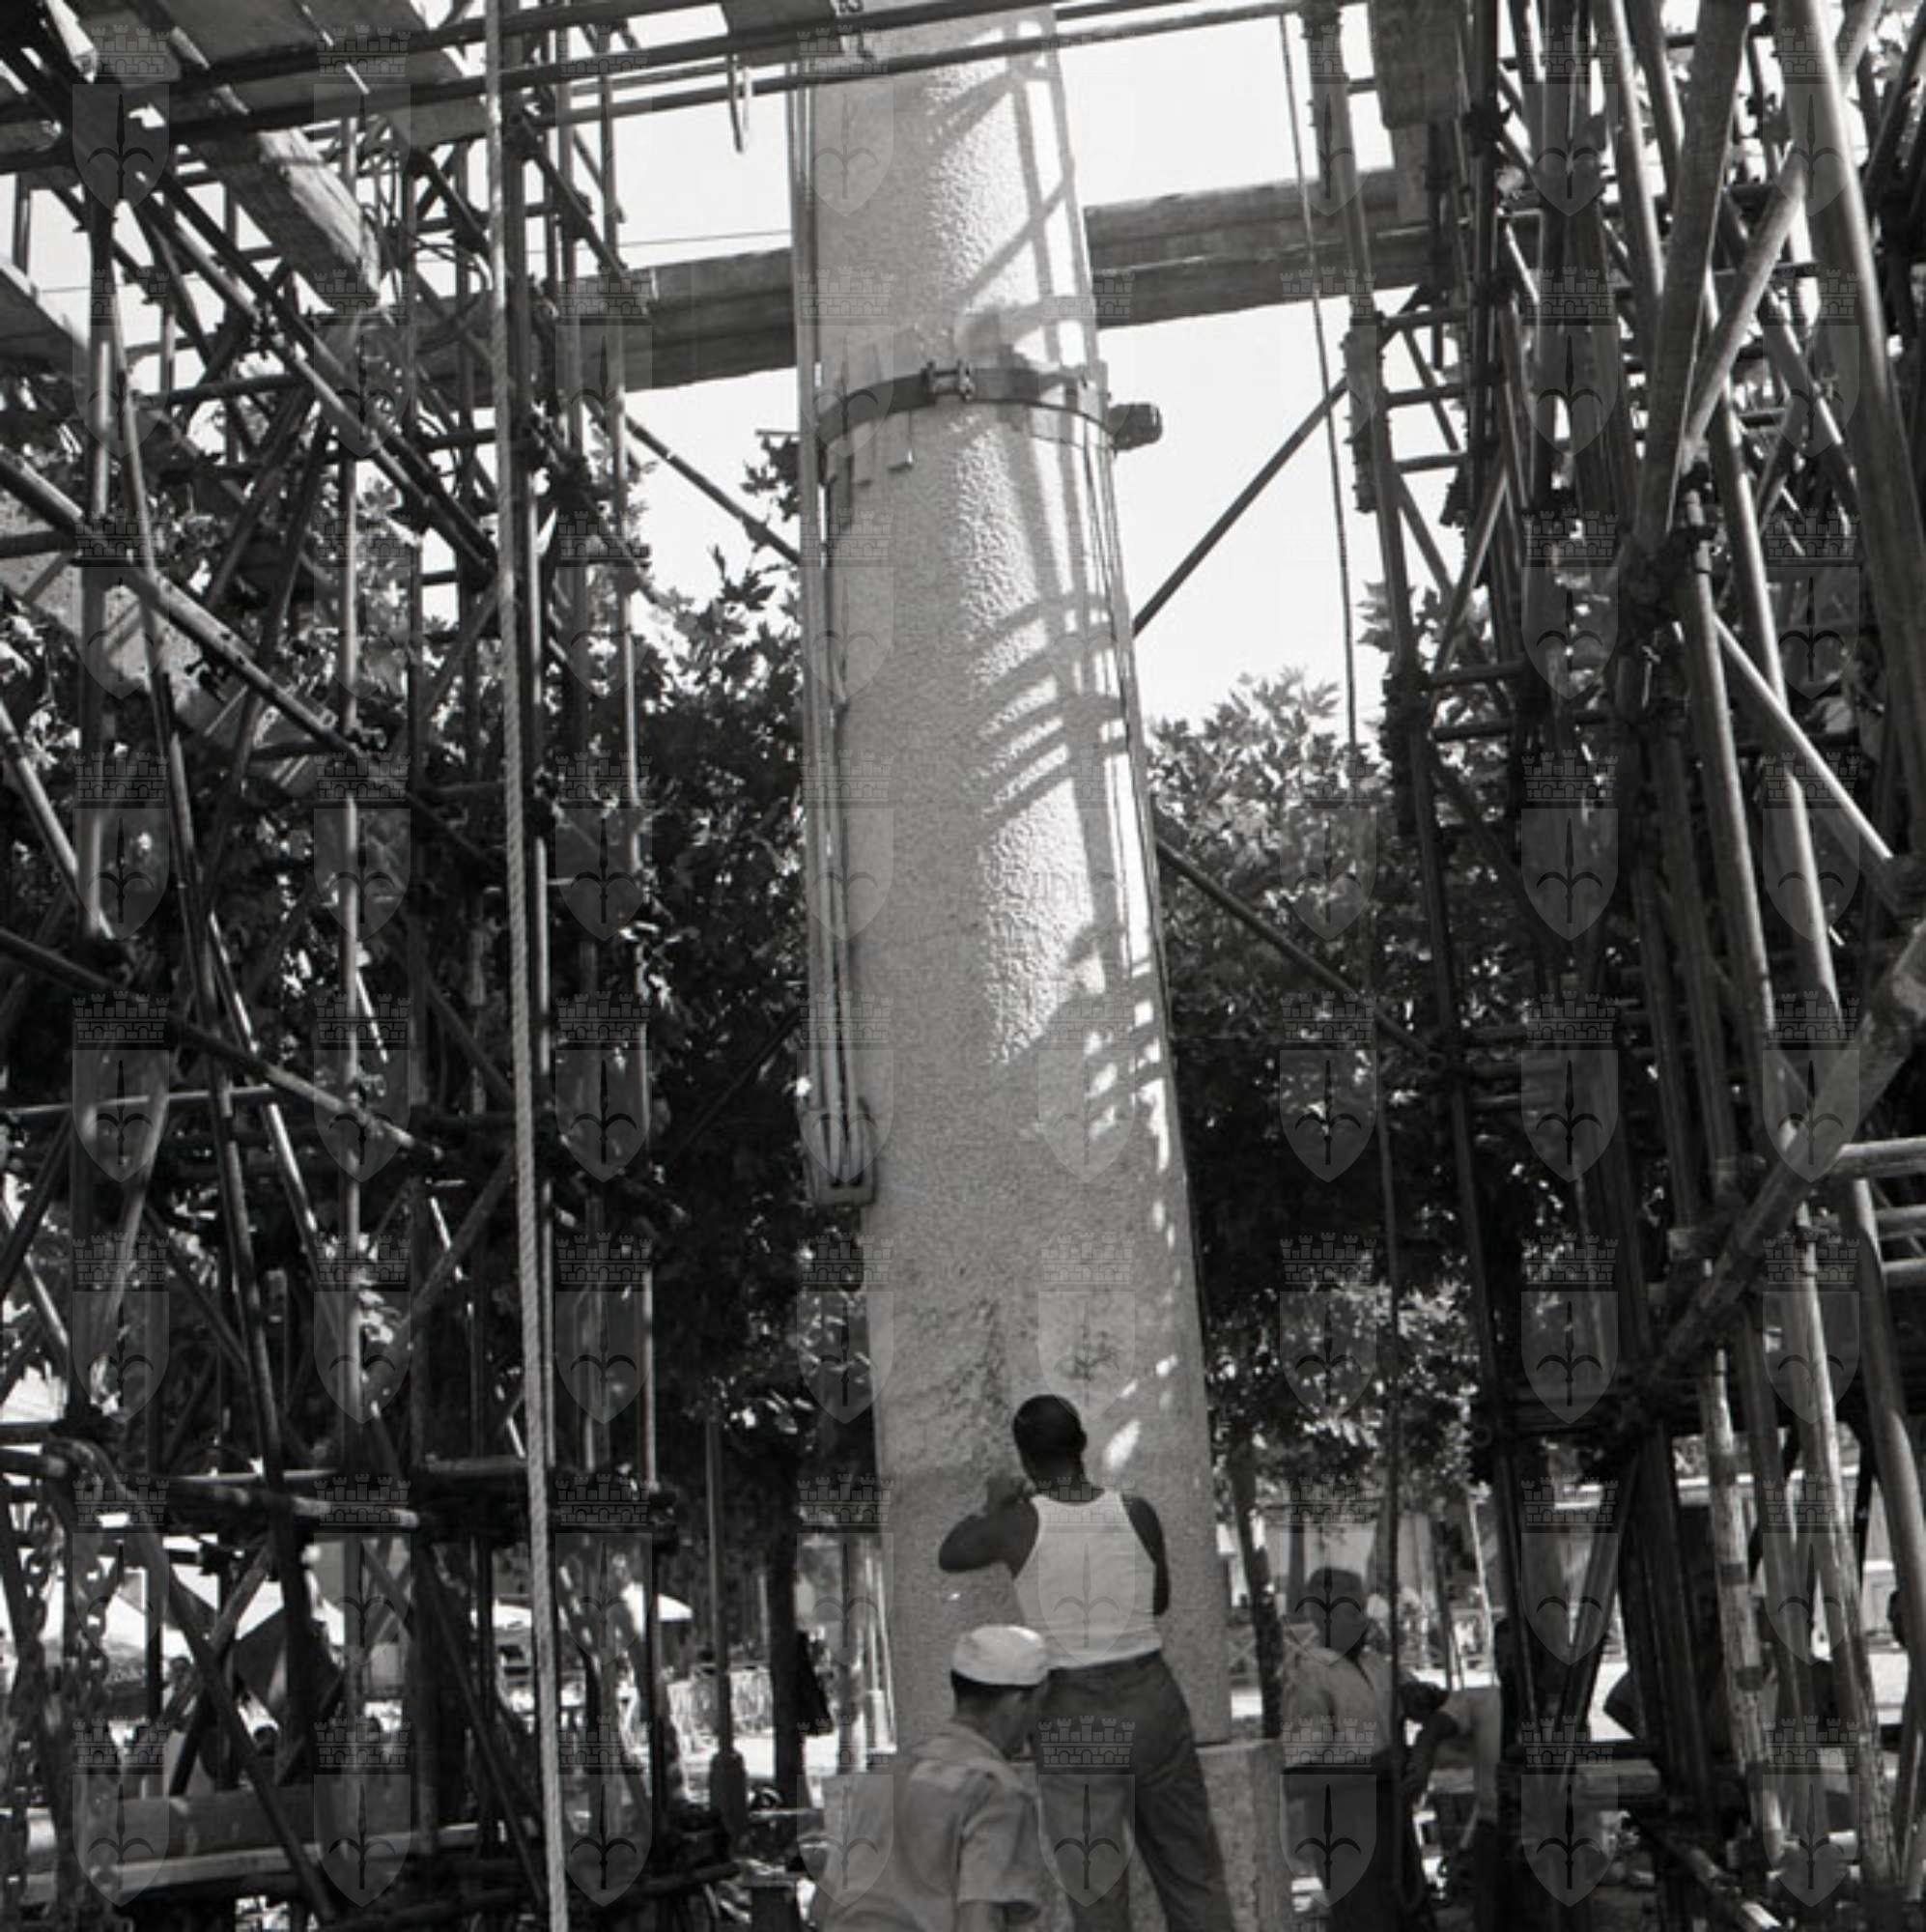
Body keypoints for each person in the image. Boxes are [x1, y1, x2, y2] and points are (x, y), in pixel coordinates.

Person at [938, 1395, 1234, 1932]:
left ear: (1025, 1458)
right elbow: (1157, 1600)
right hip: (1152, 1696)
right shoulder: (1137, 1513)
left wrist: (992, 1505)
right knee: (1193, 1872)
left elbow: (951, 1553)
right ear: (1082, 1444)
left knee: (1095, 1890)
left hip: (1071, 1711)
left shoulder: (1017, 1524)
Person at [814, 1625, 1052, 1931]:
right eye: (1041, 1705)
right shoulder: (996, 1792)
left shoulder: (887, 1774)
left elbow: (822, 1906)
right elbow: (979, 1922)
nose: (1040, 1720)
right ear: (1015, 1703)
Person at [1279, 1564, 1434, 1931]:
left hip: (1393, 1817)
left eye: (1363, 1609)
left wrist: (1424, 1701)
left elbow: (1417, 1709)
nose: (1363, 1620)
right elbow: (1298, 1781)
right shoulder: (1310, 1678)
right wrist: (1374, 1768)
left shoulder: (1377, 1665)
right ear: (1322, 1615)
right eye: (1351, 1611)